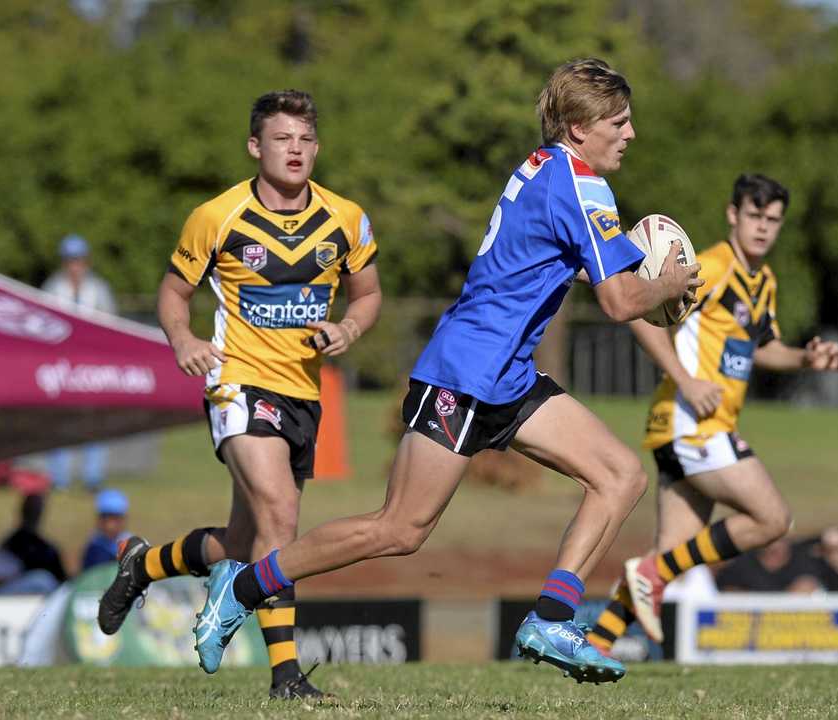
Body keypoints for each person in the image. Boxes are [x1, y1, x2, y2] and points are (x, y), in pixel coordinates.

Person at [186, 58, 699, 685]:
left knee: (619, 476)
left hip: (505, 374)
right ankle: (242, 588)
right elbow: (621, 301)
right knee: (398, 529)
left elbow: (612, 283)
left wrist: (654, 287)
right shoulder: (581, 185)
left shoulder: (546, 167)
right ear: (575, 127)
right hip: (464, 373)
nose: (630, 133)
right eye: (617, 122)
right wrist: (670, 282)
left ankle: (551, 618)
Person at [96, 89, 383, 700]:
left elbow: (369, 293)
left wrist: (350, 327)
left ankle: (143, 564)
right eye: (282, 139)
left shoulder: (346, 218)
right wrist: (181, 340)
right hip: (237, 383)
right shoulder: (217, 216)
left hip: (303, 393)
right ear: (256, 147)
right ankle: (285, 677)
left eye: (305, 139)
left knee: (247, 543)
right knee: (281, 513)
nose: (296, 150)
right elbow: (174, 292)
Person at [584, 173, 838, 651]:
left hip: (688, 430)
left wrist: (808, 359)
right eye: (754, 216)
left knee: (668, 561)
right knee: (771, 520)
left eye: (773, 220)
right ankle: (651, 573)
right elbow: (641, 318)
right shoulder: (710, 266)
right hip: (693, 423)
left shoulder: (761, 281)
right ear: (733, 214)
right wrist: (686, 381)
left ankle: (596, 647)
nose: (763, 228)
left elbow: (764, 347)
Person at [42, 234, 117, 491]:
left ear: (86, 261)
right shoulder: (52, 288)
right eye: (70, 260)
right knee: (59, 422)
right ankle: (59, 477)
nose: (75, 266)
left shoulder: (99, 290)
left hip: (92, 367)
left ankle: (92, 477)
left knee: (93, 423)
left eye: (79, 260)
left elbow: (111, 328)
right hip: (61, 366)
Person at [0, 493, 67, 585]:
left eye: (36, 510)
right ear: (23, 510)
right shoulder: (11, 544)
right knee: (41, 579)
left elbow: (62, 580)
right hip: (15, 594)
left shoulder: (48, 549)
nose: (33, 513)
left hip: (45, 593)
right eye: (30, 509)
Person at [715, 536, 823, 593]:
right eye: (771, 540)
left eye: (780, 539)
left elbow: (810, 586)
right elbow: (727, 591)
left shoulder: (802, 559)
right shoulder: (744, 561)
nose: (775, 546)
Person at [81, 489, 131, 570]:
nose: (110, 525)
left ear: (123, 519)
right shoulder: (94, 548)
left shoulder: (132, 546)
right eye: (105, 517)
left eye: (114, 518)